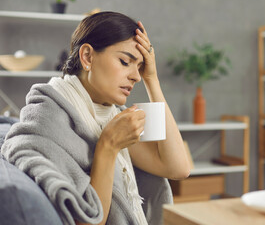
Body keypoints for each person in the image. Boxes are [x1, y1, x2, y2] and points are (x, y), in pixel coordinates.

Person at [1, 11, 191, 225]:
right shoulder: (49, 116)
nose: (136, 76)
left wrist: (152, 78)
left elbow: (178, 168)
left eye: (140, 67)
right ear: (87, 57)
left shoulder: (110, 113)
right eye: (125, 61)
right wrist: (108, 146)